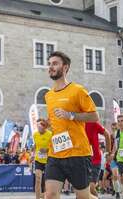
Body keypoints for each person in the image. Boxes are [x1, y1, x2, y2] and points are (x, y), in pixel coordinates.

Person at [44, 51, 99, 199]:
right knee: (50, 195)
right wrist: (46, 124)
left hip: (78, 153)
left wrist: (71, 115)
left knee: (83, 196)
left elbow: (94, 116)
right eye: (49, 64)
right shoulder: (48, 96)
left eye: (55, 63)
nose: (51, 67)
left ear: (65, 67)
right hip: (56, 153)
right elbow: (56, 121)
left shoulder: (77, 90)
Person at [85, 122, 111, 197]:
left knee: (91, 187)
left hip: (95, 160)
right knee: (82, 189)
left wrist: (108, 152)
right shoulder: (77, 124)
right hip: (81, 160)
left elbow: (107, 134)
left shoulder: (93, 123)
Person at [33, 118, 52, 199]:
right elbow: (35, 146)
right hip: (38, 160)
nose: (38, 128)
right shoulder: (35, 135)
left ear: (44, 126)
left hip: (48, 160)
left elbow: (54, 147)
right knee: (38, 179)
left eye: (40, 126)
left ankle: (45, 196)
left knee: (47, 182)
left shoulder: (50, 134)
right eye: (37, 126)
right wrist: (32, 155)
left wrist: (46, 150)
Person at [110, 122, 121, 199]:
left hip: (122, 157)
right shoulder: (110, 136)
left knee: (122, 176)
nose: (114, 130)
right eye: (112, 128)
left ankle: (118, 190)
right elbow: (113, 146)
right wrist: (111, 154)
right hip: (113, 157)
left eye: (115, 128)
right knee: (115, 175)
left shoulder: (121, 134)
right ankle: (117, 191)